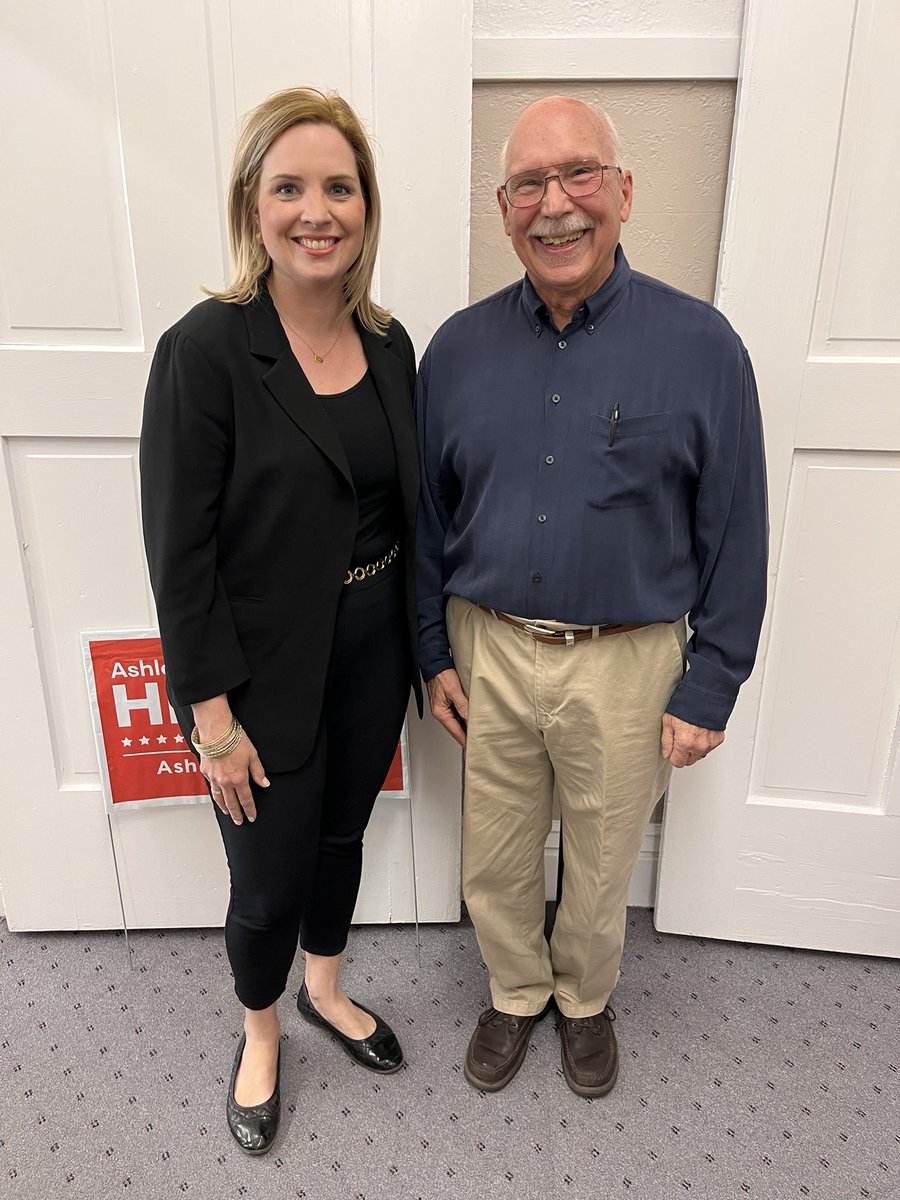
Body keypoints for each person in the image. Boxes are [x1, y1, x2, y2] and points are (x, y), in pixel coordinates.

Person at [416, 96, 767, 1098]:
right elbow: (428, 521)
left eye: (578, 176)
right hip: (487, 646)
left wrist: (713, 685)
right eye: (530, 184)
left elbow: (736, 522)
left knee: (606, 854)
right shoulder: (456, 351)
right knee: (494, 854)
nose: (555, 205)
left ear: (622, 191)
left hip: (629, 658)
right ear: (503, 207)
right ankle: (517, 992)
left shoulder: (701, 347)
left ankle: (583, 1000)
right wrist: (431, 654)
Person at [140, 87, 421, 1154]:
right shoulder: (204, 352)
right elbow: (181, 556)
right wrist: (211, 718)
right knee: (265, 882)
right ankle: (262, 1031)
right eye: (290, 187)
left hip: (371, 652)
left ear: (366, 206)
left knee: (342, 838)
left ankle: (326, 990)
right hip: (255, 679)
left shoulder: (391, 346)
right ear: (253, 210)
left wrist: (423, 652)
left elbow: (411, 515)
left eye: (339, 187)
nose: (319, 210)